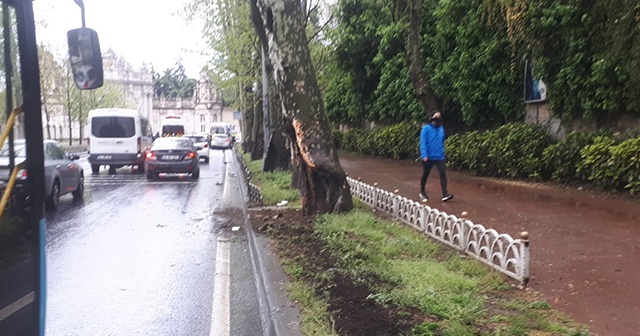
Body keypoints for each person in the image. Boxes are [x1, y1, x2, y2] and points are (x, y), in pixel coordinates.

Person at [419, 111, 454, 202]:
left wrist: (442, 152)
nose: (438, 118)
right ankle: (422, 191)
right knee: (426, 174)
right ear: (431, 118)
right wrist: (424, 155)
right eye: (436, 116)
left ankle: (445, 194)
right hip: (428, 156)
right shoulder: (425, 129)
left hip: (439, 156)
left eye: (439, 117)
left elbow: (441, 142)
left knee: (443, 173)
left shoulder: (441, 129)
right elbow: (423, 143)